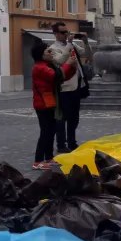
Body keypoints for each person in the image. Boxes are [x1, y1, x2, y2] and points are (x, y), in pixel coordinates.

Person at [31, 42, 78, 170]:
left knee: (51, 130)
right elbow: (55, 75)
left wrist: (72, 67)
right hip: (43, 104)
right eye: (47, 52)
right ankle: (38, 160)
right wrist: (68, 64)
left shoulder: (46, 65)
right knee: (46, 132)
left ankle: (49, 157)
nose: (50, 53)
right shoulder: (40, 67)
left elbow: (62, 76)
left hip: (49, 102)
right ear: (41, 55)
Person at [47, 22, 87, 153]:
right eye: (63, 33)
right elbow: (60, 61)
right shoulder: (52, 48)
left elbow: (85, 53)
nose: (66, 35)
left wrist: (86, 42)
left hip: (76, 86)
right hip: (64, 88)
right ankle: (61, 144)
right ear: (56, 34)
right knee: (62, 118)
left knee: (74, 117)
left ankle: (72, 141)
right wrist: (69, 44)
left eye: (67, 32)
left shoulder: (72, 45)